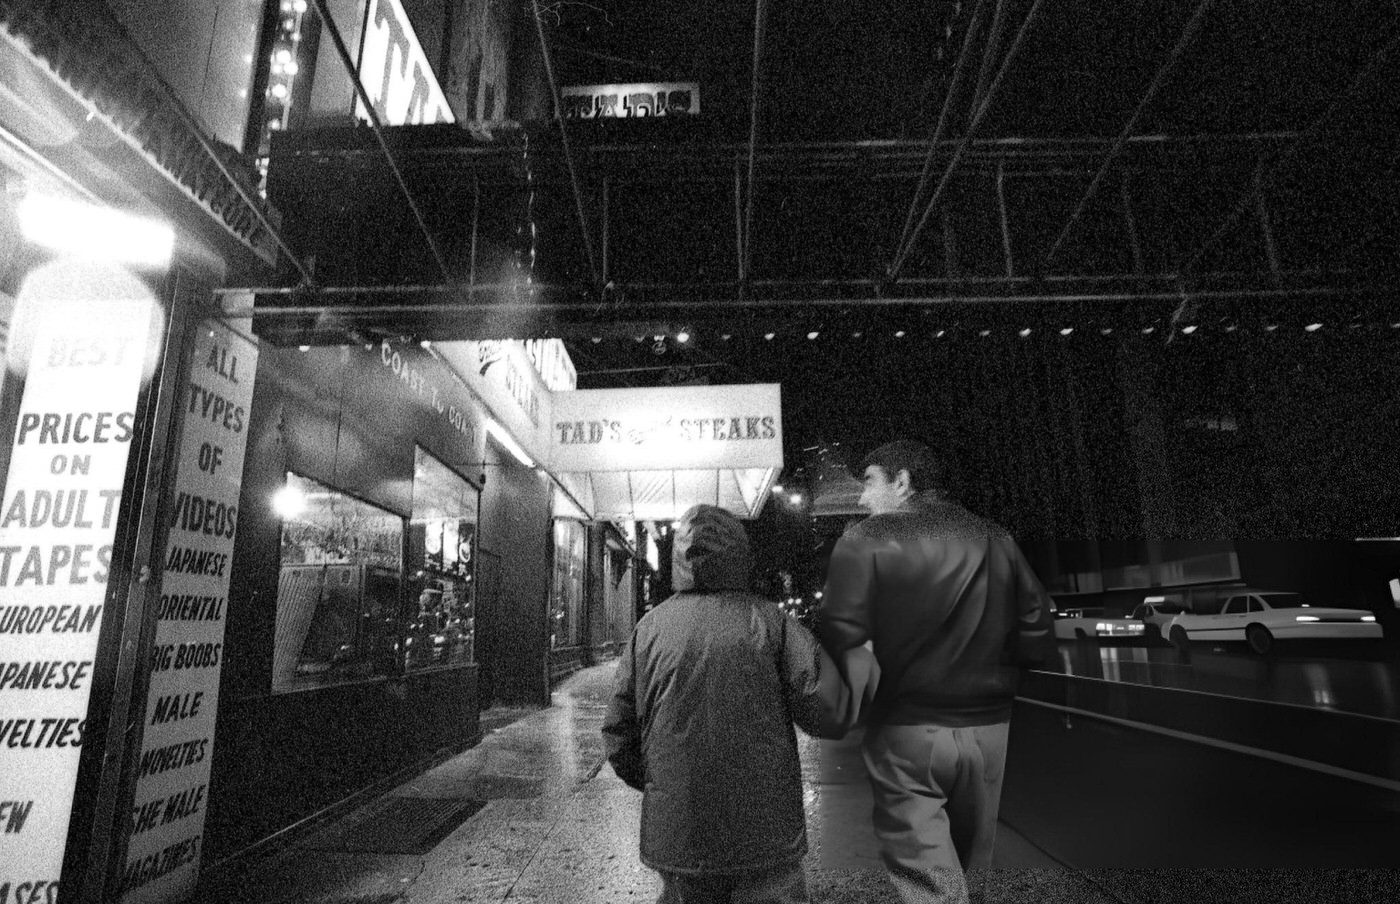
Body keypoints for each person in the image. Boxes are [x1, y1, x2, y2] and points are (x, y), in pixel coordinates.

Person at [603, 504, 878, 904]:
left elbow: (618, 732)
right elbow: (828, 710)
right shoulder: (772, 623)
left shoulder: (649, 629)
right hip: (764, 831)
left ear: (679, 558)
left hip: (680, 832)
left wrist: (661, 782)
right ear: (740, 556)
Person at [817, 440, 1053, 904]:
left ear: (902, 483)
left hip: (908, 730)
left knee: (926, 871)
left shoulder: (865, 539)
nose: (863, 498)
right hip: (989, 729)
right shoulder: (995, 536)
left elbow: (842, 633)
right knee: (973, 862)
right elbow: (1038, 627)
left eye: (869, 482)